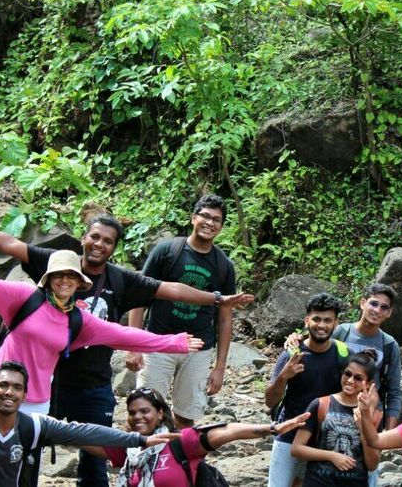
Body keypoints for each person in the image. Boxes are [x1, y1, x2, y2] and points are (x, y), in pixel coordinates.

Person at [0, 200, 252, 487]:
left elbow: (167, 291)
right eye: (95, 237)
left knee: (94, 460)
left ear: (114, 248)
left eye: (108, 241)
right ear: (83, 238)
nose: (99, 245)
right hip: (44, 382)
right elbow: (8, 245)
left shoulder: (120, 281)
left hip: (91, 383)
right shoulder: (58, 264)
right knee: (15, 448)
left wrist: (217, 298)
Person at [0, 245, 204, 414]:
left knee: (25, 463)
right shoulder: (23, 297)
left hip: (37, 398)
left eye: (71, 277)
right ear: (49, 279)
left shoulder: (80, 320)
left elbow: (125, 335)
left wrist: (173, 343)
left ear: (79, 283)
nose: (64, 281)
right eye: (58, 275)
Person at [0, 361, 179, 487]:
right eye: (3, 385)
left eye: (17, 388)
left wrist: (138, 440)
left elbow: (83, 431)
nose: (9, 392)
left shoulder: (35, 427)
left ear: (25, 395)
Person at [126, 194, 240, 429]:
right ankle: (137, 460)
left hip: (198, 349)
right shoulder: (168, 251)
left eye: (216, 220)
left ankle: (179, 462)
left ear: (221, 226)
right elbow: (140, 296)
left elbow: (225, 320)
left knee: (187, 415)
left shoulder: (223, 266)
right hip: (158, 342)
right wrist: (134, 346)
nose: (210, 223)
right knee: (143, 410)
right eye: (205, 216)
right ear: (193, 218)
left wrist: (219, 368)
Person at [82, 387, 310, 486]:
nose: (137, 417)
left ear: (160, 414)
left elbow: (227, 431)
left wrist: (272, 429)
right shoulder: (130, 450)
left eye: (144, 411)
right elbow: (86, 442)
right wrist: (52, 429)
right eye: (132, 413)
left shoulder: (181, 441)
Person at [266, 293, 348, 487]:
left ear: (336, 323)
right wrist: (284, 376)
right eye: (316, 319)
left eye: (328, 320)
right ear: (306, 320)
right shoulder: (292, 354)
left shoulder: (343, 354)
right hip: (288, 433)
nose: (322, 325)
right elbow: (270, 401)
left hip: (323, 441)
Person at [290, 350, 381, 487]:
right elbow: (296, 449)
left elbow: (372, 464)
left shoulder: (373, 414)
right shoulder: (320, 404)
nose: (350, 381)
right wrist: (332, 456)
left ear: (368, 384)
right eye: (347, 374)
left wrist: (364, 425)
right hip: (318, 481)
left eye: (358, 378)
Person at [330, 283, 402, 432]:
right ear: (363, 303)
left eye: (384, 307)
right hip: (334, 412)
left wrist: (388, 436)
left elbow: (394, 392)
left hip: (370, 417)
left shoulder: (389, 345)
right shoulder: (340, 332)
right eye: (374, 304)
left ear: (389, 313)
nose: (377, 310)